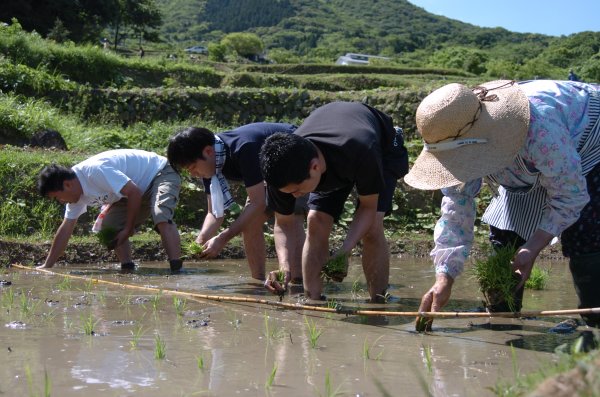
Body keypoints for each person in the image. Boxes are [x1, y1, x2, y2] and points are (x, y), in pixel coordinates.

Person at [404, 79, 600, 330]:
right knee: (505, 235)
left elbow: (571, 194)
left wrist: (535, 245)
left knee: (584, 234)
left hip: (589, 140)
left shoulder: (539, 129)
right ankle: (502, 317)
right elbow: (456, 206)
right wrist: (445, 276)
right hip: (532, 160)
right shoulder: (451, 130)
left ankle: (594, 322)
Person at [259, 101, 409, 301]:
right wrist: (284, 266)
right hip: (335, 150)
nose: (295, 196)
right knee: (315, 220)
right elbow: (283, 223)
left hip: (381, 148)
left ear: (314, 167)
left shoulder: (361, 148)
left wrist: (344, 251)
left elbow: (368, 208)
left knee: (372, 228)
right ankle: (313, 300)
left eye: (297, 190)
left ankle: (378, 302)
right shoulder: (283, 169)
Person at [167, 123, 306, 283]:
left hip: (294, 159)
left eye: (193, 167)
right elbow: (214, 214)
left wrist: (223, 238)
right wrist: (200, 241)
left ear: (208, 151)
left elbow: (258, 202)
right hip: (268, 175)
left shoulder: (243, 148)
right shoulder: (212, 168)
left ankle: (298, 284)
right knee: (250, 223)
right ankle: (258, 283)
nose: (193, 174)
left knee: (291, 218)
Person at [37, 149, 183, 272]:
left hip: (160, 173)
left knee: (160, 214)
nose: (60, 201)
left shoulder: (94, 172)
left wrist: (129, 228)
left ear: (67, 185)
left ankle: (177, 269)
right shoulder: (75, 196)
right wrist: (47, 266)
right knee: (110, 226)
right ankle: (128, 267)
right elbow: (66, 229)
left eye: (57, 197)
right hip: (131, 193)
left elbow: (134, 192)